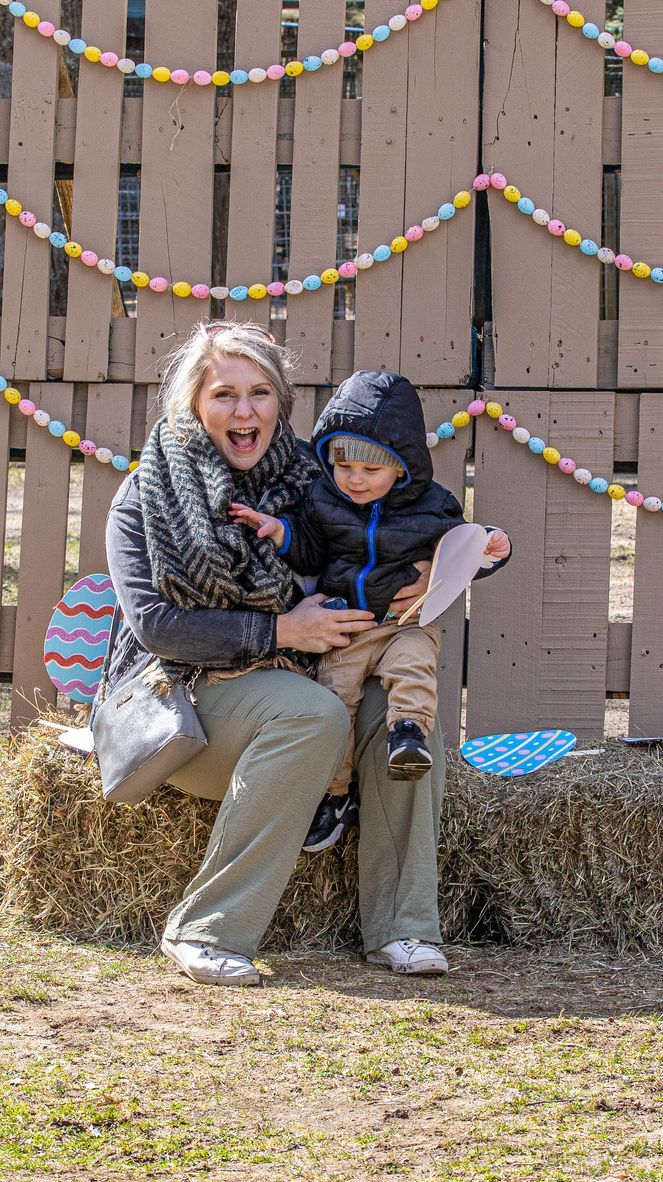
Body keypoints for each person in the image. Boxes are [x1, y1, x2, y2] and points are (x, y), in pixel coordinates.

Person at [99, 322, 462, 987]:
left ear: (282, 402)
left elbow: (391, 540)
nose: (245, 412)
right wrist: (279, 633)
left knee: (401, 710)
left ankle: (405, 928)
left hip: (318, 675)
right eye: (225, 395)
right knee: (313, 714)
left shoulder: (322, 477)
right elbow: (156, 626)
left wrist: (414, 576)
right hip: (192, 699)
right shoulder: (145, 496)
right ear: (193, 404)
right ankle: (205, 930)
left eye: (260, 393)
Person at [229, 370, 510, 853]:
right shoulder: (324, 500)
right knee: (334, 702)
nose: (354, 480)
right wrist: (281, 532)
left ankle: (408, 735)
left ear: (401, 468)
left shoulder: (432, 507)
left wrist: (492, 552)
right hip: (349, 626)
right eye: (343, 467)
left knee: (415, 666)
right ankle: (335, 795)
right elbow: (313, 554)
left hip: (403, 624)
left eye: (370, 471)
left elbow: (458, 557)